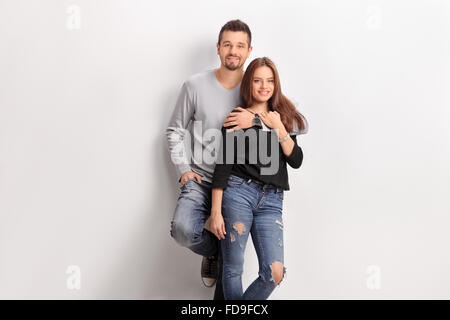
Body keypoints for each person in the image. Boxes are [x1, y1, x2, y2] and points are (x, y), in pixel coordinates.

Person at [166, 20, 263, 299]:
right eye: (228, 44)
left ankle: (224, 258)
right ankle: (216, 251)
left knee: (232, 267)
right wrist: (183, 170)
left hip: (236, 185)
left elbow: (293, 125)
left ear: (249, 51)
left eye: (240, 46)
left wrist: (254, 117)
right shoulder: (194, 85)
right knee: (183, 230)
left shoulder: (255, 88)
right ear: (218, 48)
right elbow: (174, 130)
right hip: (199, 178)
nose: (234, 51)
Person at [208, 57, 308, 300]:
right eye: (258, 80)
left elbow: (296, 160)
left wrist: (277, 128)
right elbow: (223, 166)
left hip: (272, 201)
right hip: (238, 193)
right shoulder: (237, 117)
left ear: (276, 84)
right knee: (233, 269)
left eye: (270, 80)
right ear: (248, 84)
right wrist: (216, 212)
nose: (264, 85)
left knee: (275, 272)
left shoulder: (283, 117)